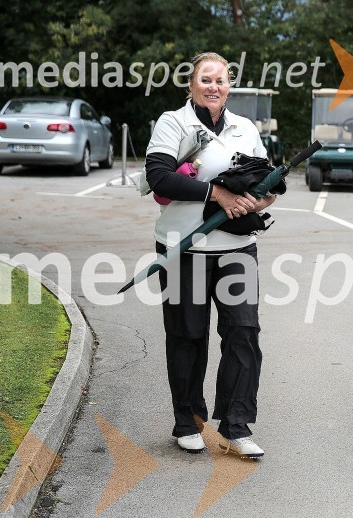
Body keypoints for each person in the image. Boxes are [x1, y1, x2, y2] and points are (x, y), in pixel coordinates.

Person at [144, 52, 275, 458]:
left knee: (243, 333)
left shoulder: (245, 128)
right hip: (185, 247)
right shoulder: (173, 123)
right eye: (205, 79)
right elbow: (158, 177)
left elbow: (268, 183)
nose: (213, 87)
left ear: (229, 85)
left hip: (237, 248)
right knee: (188, 335)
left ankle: (236, 425)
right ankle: (188, 421)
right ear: (192, 85)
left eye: (220, 80)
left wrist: (257, 201)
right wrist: (216, 193)